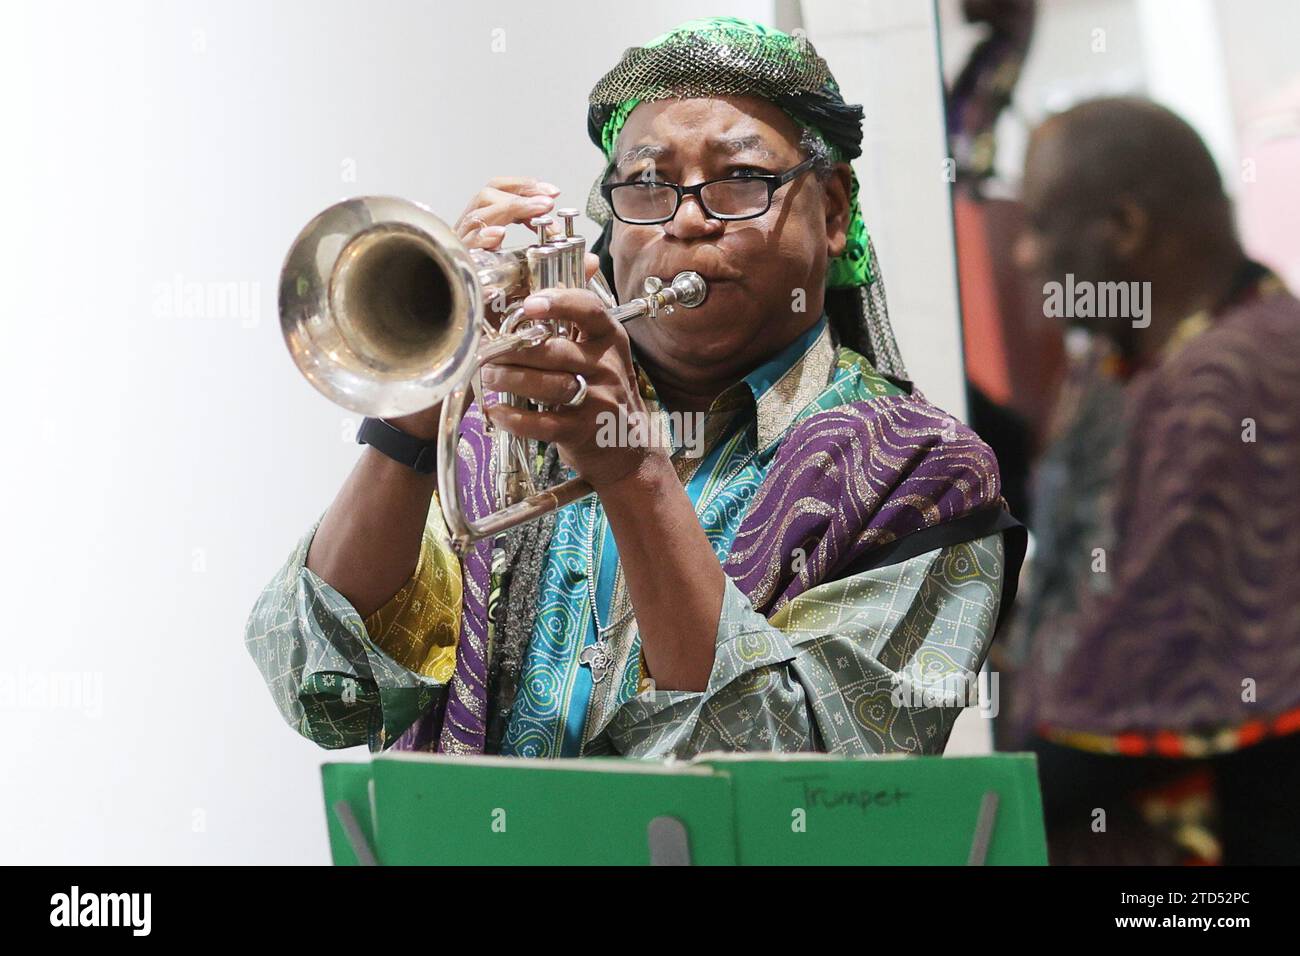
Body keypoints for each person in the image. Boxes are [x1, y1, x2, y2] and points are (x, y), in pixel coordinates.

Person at [245, 16, 1023, 760]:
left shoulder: (927, 474)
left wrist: (630, 470)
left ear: (832, 210)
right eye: (646, 185)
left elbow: (793, 771)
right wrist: (416, 413)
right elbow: (323, 690)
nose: (684, 223)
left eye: (740, 180)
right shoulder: (507, 419)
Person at [1006, 97, 1300, 864]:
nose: (1025, 257)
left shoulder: (1236, 377)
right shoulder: (1121, 363)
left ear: (1125, 229)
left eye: (1039, 225)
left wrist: (992, 794)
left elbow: (1159, 653)